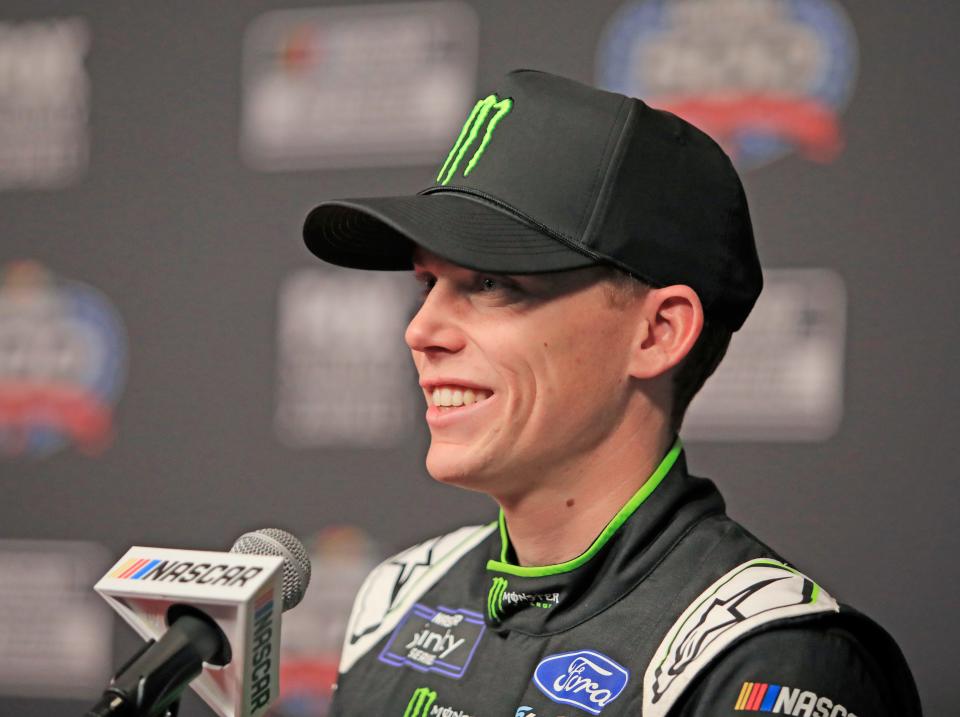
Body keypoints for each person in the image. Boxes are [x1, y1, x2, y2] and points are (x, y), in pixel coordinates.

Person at [301, 70, 920, 716]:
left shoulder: (766, 662)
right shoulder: (393, 602)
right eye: (428, 283)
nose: (420, 330)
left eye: (489, 282)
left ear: (658, 332)